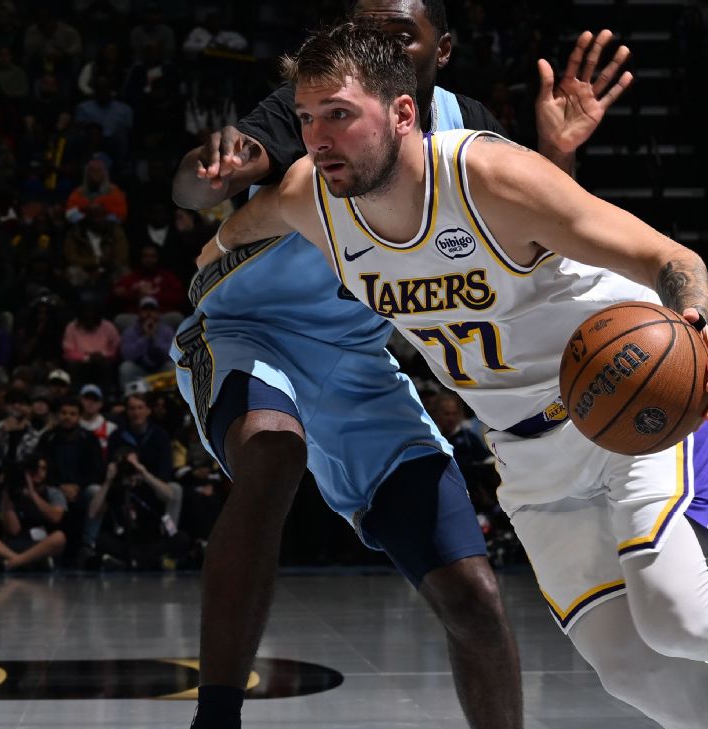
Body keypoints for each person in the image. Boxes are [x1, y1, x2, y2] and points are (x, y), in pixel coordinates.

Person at [202, 22, 708, 729]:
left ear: (403, 112)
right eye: (307, 118)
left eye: (338, 115)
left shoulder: (486, 176)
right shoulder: (315, 195)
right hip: (527, 458)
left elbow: (671, 259)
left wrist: (694, 328)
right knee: (628, 666)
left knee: (684, 618)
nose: (317, 136)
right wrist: (210, 254)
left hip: (631, 401)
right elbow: (244, 225)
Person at [170, 4, 632, 728]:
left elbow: (537, 238)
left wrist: (556, 153)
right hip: (246, 330)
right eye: (367, 28)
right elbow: (208, 183)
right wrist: (211, 172)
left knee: (473, 593)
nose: (377, 44)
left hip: (357, 356)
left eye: (399, 34)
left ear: (438, 53)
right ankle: (216, 718)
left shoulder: (469, 133)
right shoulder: (328, 108)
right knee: (275, 448)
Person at [0, 454, 67, 570]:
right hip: (14, 544)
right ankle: (21, 561)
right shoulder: (15, 493)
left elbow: (55, 517)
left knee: (59, 538)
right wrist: (7, 496)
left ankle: (11, 562)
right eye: (35, 468)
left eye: (43, 469)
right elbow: (14, 530)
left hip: (40, 544)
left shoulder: (53, 492)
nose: (38, 472)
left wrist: (33, 494)